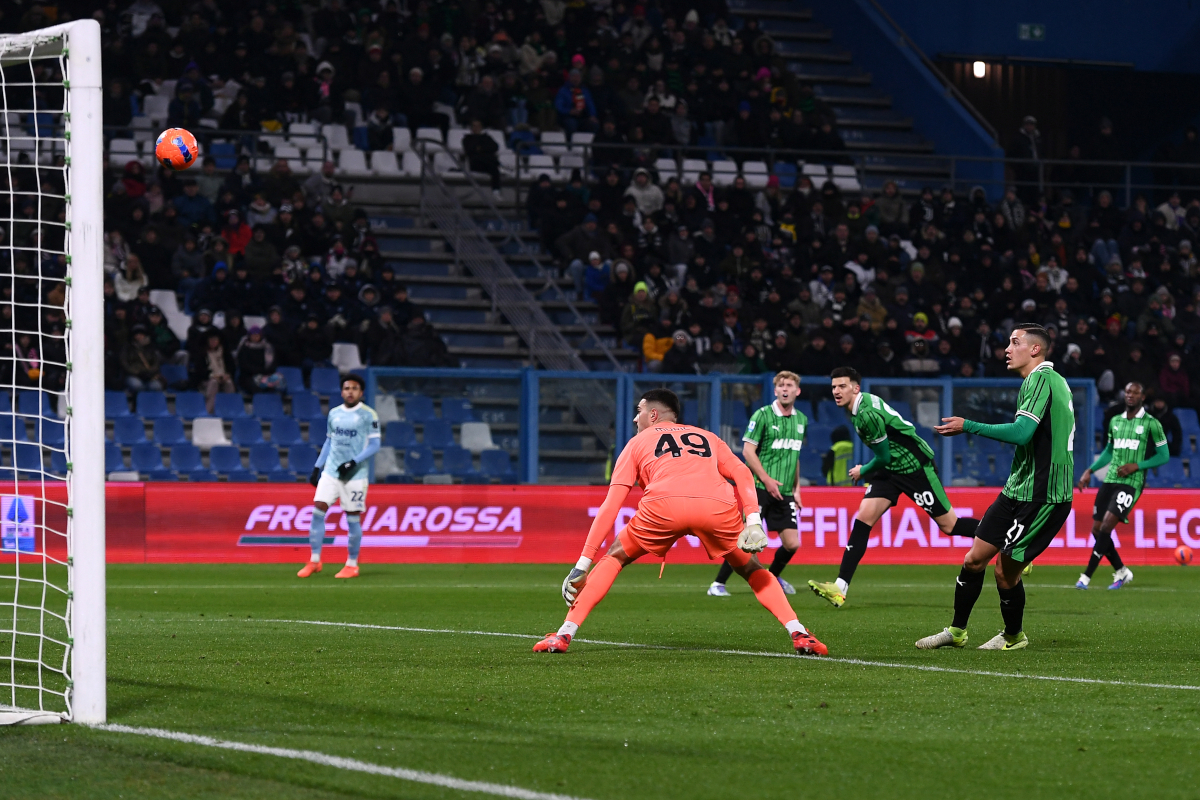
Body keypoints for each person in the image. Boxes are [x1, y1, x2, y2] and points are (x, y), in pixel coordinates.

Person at [533, 389, 827, 656]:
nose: (636, 418)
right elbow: (742, 472)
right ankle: (799, 632)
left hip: (664, 506)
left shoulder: (637, 443)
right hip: (716, 506)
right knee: (751, 569)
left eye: (639, 411)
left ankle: (564, 635)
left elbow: (611, 505)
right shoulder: (708, 437)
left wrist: (582, 565)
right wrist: (752, 518)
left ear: (653, 414)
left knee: (614, 556)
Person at [919, 324, 1075, 651]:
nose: (1007, 348)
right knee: (974, 559)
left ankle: (1013, 636)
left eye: (1014, 342)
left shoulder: (1042, 380)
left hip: (1044, 494)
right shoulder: (1044, 381)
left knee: (1004, 571)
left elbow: (1021, 433)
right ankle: (957, 631)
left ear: (1035, 350)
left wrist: (969, 425)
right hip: (1017, 488)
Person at [809, 367, 977, 608]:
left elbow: (884, 457)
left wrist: (862, 470)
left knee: (950, 525)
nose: (836, 391)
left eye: (842, 386)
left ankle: (1005, 541)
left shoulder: (865, 414)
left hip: (913, 467)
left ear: (856, 388)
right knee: (863, 518)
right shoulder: (860, 406)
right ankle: (840, 587)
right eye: (834, 387)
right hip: (891, 469)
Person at [709, 372, 807, 598]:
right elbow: (747, 451)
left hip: (784, 492)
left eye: (789, 385)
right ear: (775, 391)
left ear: (797, 391)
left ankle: (771, 578)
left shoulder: (802, 420)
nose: (785, 389)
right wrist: (766, 479)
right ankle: (717, 583)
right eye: (781, 385)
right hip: (759, 489)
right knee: (747, 540)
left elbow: (795, 456)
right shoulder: (762, 415)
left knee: (792, 543)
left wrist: (797, 490)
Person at [1074, 382, 1167, 590]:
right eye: (1127, 392)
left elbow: (1164, 455)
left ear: (1143, 397)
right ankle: (1122, 571)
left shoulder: (1152, 424)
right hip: (1110, 480)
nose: (1130, 395)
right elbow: (1109, 451)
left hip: (1132, 483)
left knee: (1106, 526)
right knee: (1097, 531)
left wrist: (1138, 465)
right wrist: (1090, 470)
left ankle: (1086, 577)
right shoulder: (1115, 421)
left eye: (1135, 392)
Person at [298, 375, 381, 581]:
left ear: (361, 393)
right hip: (331, 472)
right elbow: (329, 442)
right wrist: (317, 468)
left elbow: (374, 445)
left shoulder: (368, 415)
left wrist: (353, 462)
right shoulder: (334, 414)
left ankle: (352, 564)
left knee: (352, 518)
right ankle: (315, 560)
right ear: (342, 391)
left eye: (354, 388)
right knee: (318, 510)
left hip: (355, 475)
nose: (350, 391)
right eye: (346, 388)